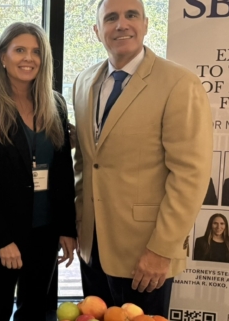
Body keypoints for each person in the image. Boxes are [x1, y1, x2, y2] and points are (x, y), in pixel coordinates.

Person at [70, 0, 213, 316]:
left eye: (131, 15)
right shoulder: (83, 82)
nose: (121, 24)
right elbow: (85, 162)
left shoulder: (179, 84)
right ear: (97, 31)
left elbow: (190, 175)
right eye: (111, 18)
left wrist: (162, 250)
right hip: (91, 248)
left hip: (145, 255)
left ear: (146, 24)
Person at [0, 22, 77, 321]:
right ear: (3, 56)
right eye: (20, 50)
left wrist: (67, 227)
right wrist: (1, 240)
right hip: (1, 234)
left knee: (35, 310)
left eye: (36, 52)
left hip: (45, 230)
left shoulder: (55, 104)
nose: (29, 58)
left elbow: (63, 169)